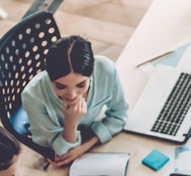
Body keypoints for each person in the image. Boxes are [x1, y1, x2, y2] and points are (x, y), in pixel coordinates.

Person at [20, 35, 129, 167]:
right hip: (54, 143)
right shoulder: (32, 97)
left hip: (86, 137)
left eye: (81, 85)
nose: (72, 95)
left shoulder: (106, 70)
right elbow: (63, 151)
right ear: (49, 78)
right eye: (61, 86)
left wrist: (84, 147)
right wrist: (70, 122)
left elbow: (120, 115)